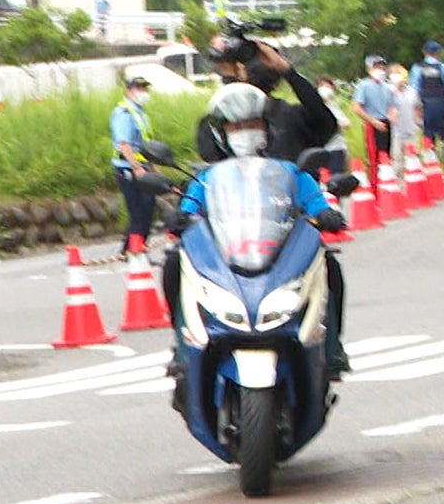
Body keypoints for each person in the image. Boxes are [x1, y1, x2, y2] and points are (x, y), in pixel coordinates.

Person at [163, 83, 350, 399]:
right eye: (237, 126)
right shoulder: (207, 179)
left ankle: (332, 348)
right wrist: (179, 218)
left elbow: (316, 203)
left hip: (278, 259)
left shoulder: (290, 173)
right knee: (172, 263)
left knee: (330, 264)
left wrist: (327, 214)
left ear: (266, 129)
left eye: (252, 125)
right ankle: (183, 347)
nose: (245, 133)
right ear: (222, 133)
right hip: (225, 262)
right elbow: (188, 210)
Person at [196, 37, 338, 168]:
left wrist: (228, 68)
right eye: (237, 127)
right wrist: (288, 72)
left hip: (290, 193)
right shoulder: (294, 115)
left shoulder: (292, 116)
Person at [109, 76, 157, 255]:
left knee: (147, 209)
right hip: (128, 169)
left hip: (143, 168)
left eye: (145, 88)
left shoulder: (139, 112)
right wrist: (137, 167)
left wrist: (152, 166)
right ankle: (133, 252)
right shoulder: (124, 113)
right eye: (139, 88)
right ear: (128, 90)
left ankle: (134, 249)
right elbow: (124, 144)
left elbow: (146, 143)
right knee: (138, 211)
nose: (143, 92)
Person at [410, 40, 444, 168]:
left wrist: (416, 109)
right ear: (438, 53)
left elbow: (413, 91)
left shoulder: (417, 68)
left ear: (424, 53)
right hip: (442, 106)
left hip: (425, 107)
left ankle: (431, 165)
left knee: (428, 136)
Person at [351, 54, 397, 166]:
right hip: (372, 123)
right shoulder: (363, 85)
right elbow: (356, 107)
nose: (380, 70)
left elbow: (392, 105)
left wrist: (392, 116)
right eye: (376, 67)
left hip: (386, 123)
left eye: (382, 67)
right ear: (369, 69)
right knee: (375, 157)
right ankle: (375, 181)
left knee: (387, 155)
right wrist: (373, 121)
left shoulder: (387, 86)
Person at [317, 76, 352, 174]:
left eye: (328, 86)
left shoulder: (334, 106)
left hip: (337, 146)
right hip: (321, 148)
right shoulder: (315, 107)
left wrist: (337, 124)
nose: (325, 89)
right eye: (322, 86)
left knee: (337, 175)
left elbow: (347, 123)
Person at [388, 67, 421, 170]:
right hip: (396, 132)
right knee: (397, 159)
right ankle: (398, 182)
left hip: (411, 130)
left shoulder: (412, 92)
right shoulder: (389, 92)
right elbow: (388, 110)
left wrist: (419, 122)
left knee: (413, 157)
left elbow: (417, 107)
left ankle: (414, 181)